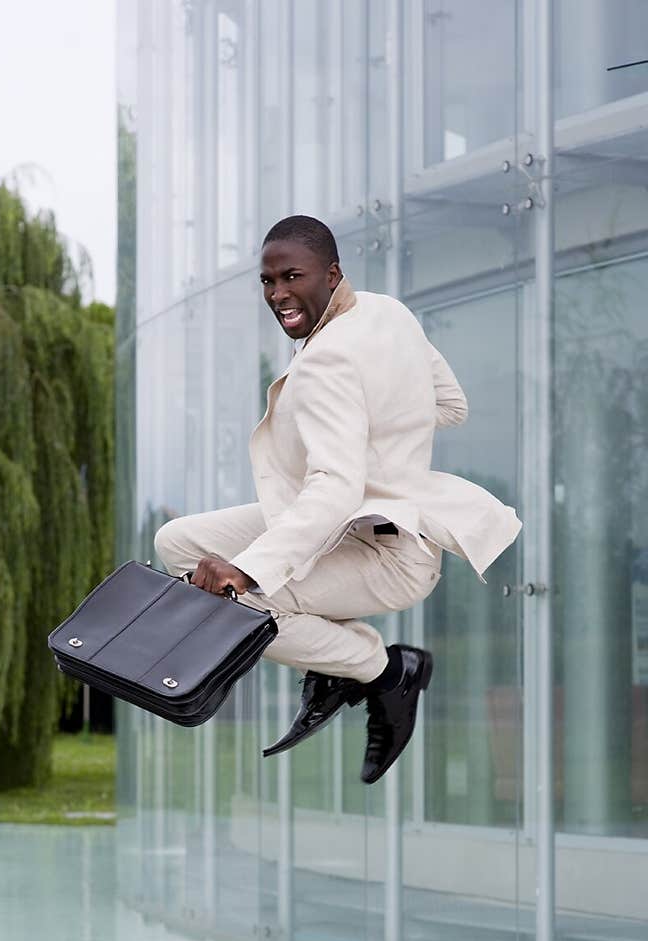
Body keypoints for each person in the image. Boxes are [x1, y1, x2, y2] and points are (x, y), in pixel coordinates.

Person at [154, 215, 521, 783]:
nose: (278, 295)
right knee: (176, 542)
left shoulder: (327, 360)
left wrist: (247, 571)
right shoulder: (387, 311)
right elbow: (449, 405)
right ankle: (333, 665)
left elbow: (335, 487)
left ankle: (382, 669)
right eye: (268, 281)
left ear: (332, 273)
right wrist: (372, 439)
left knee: (236, 604)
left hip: (390, 555)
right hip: (345, 522)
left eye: (292, 276)